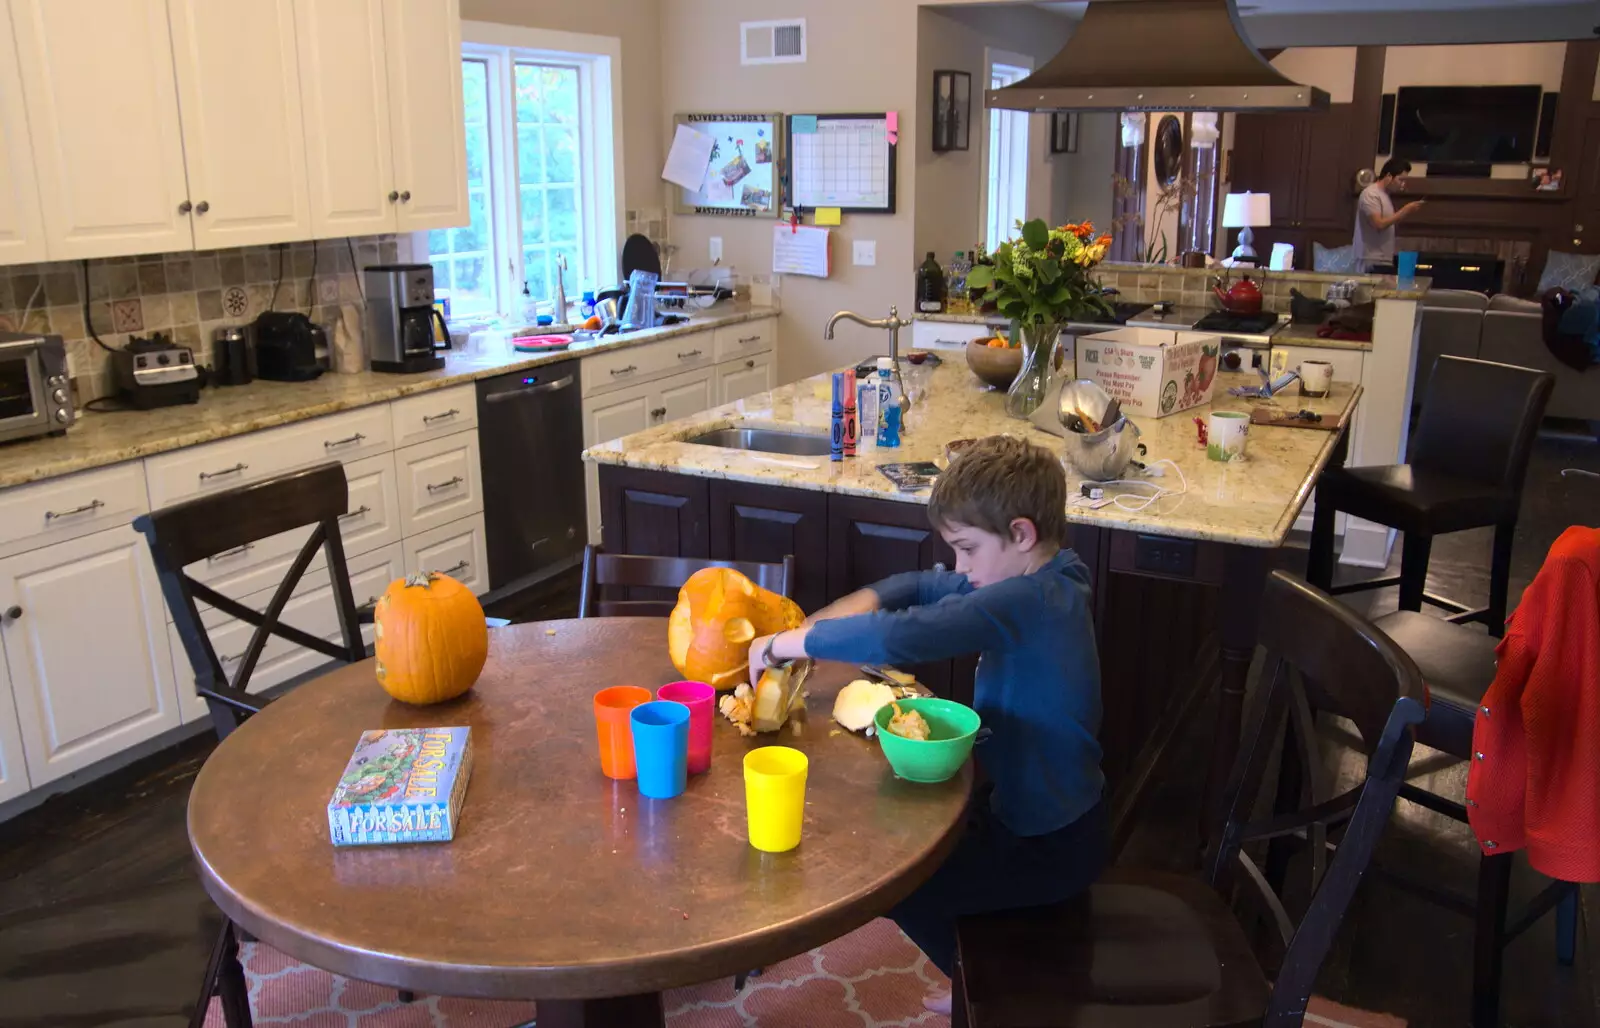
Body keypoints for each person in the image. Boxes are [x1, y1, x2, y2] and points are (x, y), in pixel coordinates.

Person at [748, 435, 1106, 1015]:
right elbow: (918, 587)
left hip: (1049, 843)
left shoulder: (1026, 602)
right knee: (917, 851)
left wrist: (786, 643)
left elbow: (902, 636)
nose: (960, 568)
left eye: (967, 549)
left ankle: (992, 998)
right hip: (1033, 815)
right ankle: (982, 974)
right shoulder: (1050, 576)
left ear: (1020, 533)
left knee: (892, 882)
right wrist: (863, 598)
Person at [1354, 157, 1426, 270]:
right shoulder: (1371, 194)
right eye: (1400, 180)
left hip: (1382, 259)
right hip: (1371, 260)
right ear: (1388, 176)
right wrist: (1405, 210)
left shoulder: (1385, 196)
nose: (1402, 184)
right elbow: (1379, 224)